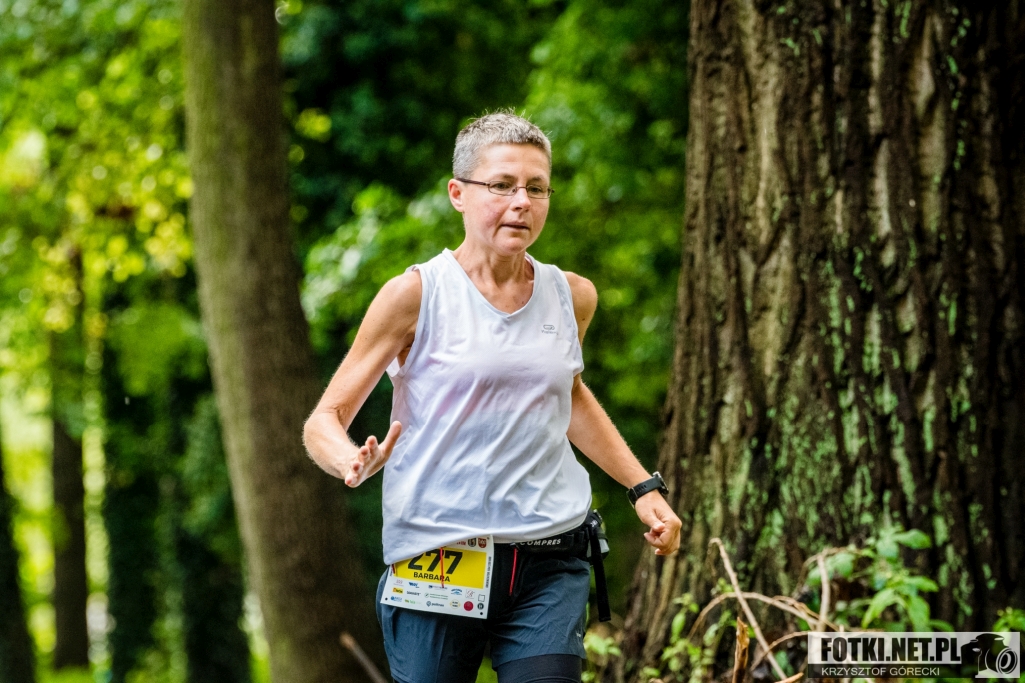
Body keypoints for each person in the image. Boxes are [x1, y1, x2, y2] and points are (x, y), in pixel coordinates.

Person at [303, 111, 682, 683]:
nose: (522, 202)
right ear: (458, 194)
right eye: (502, 185)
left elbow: (567, 396)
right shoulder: (416, 295)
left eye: (536, 187)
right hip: (438, 554)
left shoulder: (572, 296)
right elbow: (325, 419)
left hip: (549, 553)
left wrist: (642, 487)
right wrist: (349, 460)